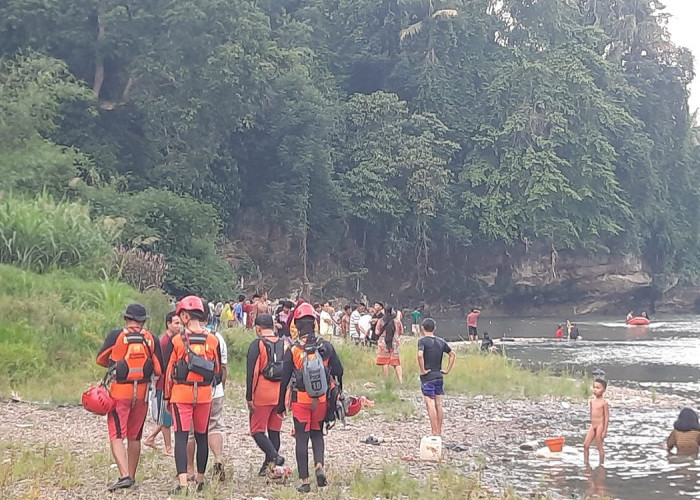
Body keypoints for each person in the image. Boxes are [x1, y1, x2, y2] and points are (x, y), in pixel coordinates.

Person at [277, 304, 343, 494]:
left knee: (301, 438)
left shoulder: (294, 349)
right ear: (314, 323)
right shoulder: (326, 346)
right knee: (317, 434)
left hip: (301, 400)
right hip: (321, 400)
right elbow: (339, 370)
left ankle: (305, 481)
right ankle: (319, 466)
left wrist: (281, 404)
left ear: (297, 326)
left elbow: (285, 378)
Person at [96, 303, 162, 491]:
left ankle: (124, 475)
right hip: (141, 393)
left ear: (126, 319)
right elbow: (158, 368)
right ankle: (131, 475)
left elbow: (100, 359)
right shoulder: (151, 338)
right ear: (143, 321)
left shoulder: (116, 335)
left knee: (117, 434)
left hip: (120, 392)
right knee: (135, 436)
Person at [164, 295, 221, 494]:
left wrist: (166, 396)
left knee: (180, 436)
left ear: (186, 316)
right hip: (204, 395)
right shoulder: (213, 340)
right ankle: (200, 479)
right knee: (201, 435)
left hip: (182, 394)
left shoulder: (177, 340)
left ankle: (182, 483)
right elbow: (217, 371)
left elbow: (169, 370)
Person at [186, 324, 228, 482]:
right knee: (214, 426)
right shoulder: (217, 338)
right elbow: (223, 367)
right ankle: (217, 458)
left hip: (190, 390)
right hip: (214, 389)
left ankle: (190, 469)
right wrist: (221, 388)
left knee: (190, 432)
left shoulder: (184, 337)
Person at [246, 314, 286, 476]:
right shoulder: (284, 344)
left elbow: (253, 372)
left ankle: (274, 456)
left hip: (263, 392)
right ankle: (268, 467)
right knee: (274, 430)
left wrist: (249, 396)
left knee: (257, 430)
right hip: (280, 393)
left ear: (258, 328)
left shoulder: (258, 344)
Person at [143, 312, 180, 456]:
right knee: (165, 416)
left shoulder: (173, 340)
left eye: (180, 323)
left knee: (166, 415)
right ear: (168, 324)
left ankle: (151, 438)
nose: (179, 326)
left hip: (169, 383)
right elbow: (163, 365)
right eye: (176, 323)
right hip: (164, 383)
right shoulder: (165, 342)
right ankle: (168, 447)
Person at [417, 318, 455, 436]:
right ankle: (439, 431)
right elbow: (452, 354)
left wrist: (423, 370)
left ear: (422, 328)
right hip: (439, 375)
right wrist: (447, 370)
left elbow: (419, 355)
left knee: (430, 403)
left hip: (428, 376)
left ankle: (433, 431)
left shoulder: (422, 341)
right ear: (435, 328)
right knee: (439, 404)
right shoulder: (441, 341)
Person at [583, 378, 609, 464]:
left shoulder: (604, 403)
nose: (595, 390)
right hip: (593, 425)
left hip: (600, 426)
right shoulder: (592, 402)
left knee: (599, 446)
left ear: (604, 390)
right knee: (585, 445)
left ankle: (601, 464)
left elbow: (606, 417)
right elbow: (591, 414)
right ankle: (586, 462)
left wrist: (604, 431)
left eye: (598, 388)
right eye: (594, 387)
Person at [375, 306, 403, 383]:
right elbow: (401, 331)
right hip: (395, 343)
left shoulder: (381, 321)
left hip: (383, 343)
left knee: (385, 362)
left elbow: (377, 332)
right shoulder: (397, 321)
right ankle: (400, 381)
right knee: (396, 362)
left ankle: (387, 381)